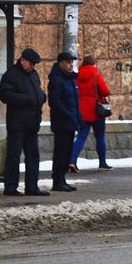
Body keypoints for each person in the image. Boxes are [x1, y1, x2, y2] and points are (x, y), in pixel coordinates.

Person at [0, 47, 48, 196]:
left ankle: (32, 186)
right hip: (17, 122)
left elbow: (36, 91)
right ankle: (11, 187)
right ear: (22, 61)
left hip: (32, 122)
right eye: (30, 63)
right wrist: (27, 100)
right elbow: (4, 95)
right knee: (14, 155)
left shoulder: (33, 74)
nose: (32, 67)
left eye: (34, 64)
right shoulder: (12, 75)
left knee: (33, 155)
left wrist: (41, 97)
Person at [71, 54, 112, 172]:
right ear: (93, 64)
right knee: (100, 137)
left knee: (81, 137)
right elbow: (105, 91)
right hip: (96, 112)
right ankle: (102, 163)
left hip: (82, 112)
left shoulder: (77, 76)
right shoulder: (96, 76)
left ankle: (72, 161)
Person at [48, 50, 82, 192]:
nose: (70, 65)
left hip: (70, 121)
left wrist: (78, 118)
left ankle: (62, 179)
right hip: (62, 121)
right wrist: (68, 115)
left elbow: (75, 100)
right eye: (68, 62)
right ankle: (57, 180)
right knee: (61, 152)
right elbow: (55, 101)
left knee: (67, 152)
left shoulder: (70, 79)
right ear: (61, 63)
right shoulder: (57, 79)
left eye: (72, 62)